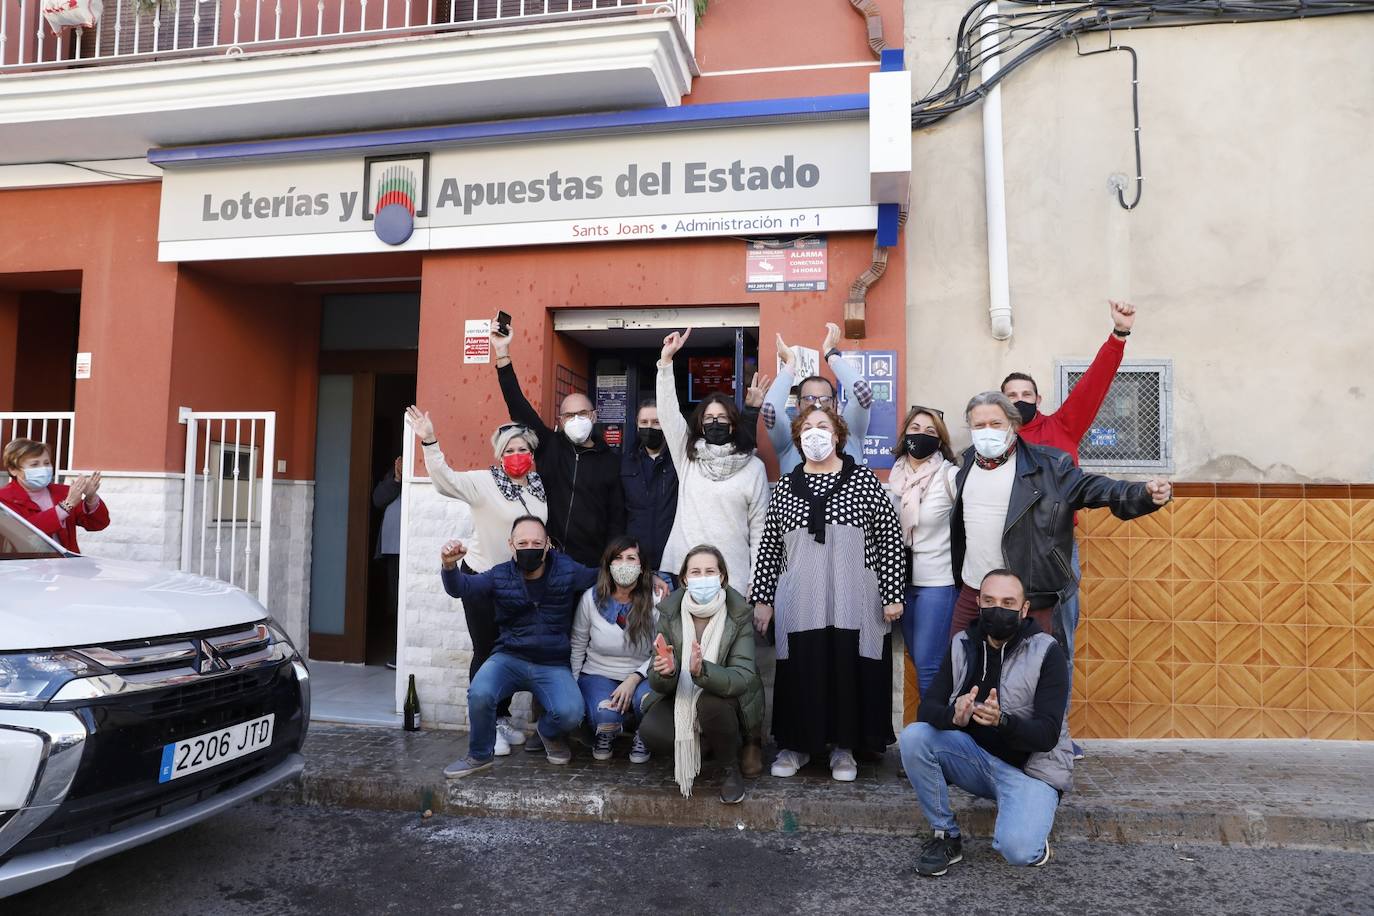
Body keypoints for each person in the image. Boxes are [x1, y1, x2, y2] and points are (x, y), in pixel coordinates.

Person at [1001, 300, 1137, 758]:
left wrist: (1117, 336)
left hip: (1056, 552)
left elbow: (1095, 387)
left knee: (1059, 641)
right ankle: (1002, 726)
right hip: (1003, 557)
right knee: (1002, 640)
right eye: (1010, 394)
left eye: (1026, 393)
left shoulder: (1061, 427)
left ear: (1038, 400)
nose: (1019, 400)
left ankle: (1056, 732)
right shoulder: (993, 442)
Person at [750, 406, 905, 782]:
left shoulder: (864, 481)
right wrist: (763, 597)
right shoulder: (786, 486)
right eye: (807, 428)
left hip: (856, 596)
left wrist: (892, 593)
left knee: (849, 669)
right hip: (800, 598)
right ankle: (796, 746)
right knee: (801, 669)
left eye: (823, 427)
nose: (815, 434)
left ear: (837, 435)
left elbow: (890, 538)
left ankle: (844, 749)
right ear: (799, 438)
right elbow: (770, 545)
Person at [948, 391, 1172, 643]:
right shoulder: (966, 465)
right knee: (960, 664)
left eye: (996, 424)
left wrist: (1141, 493)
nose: (987, 431)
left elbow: (1093, 488)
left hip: (1027, 594)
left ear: (1012, 425)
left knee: (1032, 673)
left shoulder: (1049, 466)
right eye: (979, 425)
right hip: (975, 591)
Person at [900, 569, 1073, 876]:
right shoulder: (962, 643)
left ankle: (1028, 822)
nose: (998, 609)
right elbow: (928, 709)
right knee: (915, 737)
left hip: (1030, 773)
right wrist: (954, 716)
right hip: (978, 762)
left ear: (1023, 609)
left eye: (1008, 602)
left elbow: (1047, 735)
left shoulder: (1047, 651)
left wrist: (1002, 721)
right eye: (990, 600)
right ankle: (946, 836)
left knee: (1019, 851)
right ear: (978, 602)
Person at [409, 407, 550, 756]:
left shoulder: (538, 485)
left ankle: (502, 717)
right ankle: (485, 726)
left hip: (522, 584)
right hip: (484, 578)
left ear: (532, 454)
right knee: (486, 651)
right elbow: (445, 480)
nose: (517, 456)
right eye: (509, 450)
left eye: (523, 450)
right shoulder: (484, 482)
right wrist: (430, 438)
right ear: (499, 455)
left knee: (511, 650)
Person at [439, 516, 598, 778]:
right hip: (509, 657)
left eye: (537, 542)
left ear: (547, 545)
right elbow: (462, 588)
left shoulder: (567, 570)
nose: (530, 547)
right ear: (511, 545)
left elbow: (601, 578)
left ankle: (547, 733)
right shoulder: (500, 574)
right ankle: (479, 755)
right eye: (522, 542)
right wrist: (448, 566)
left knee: (571, 713)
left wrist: (651, 578)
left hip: (552, 662)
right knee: (479, 692)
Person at [491, 323, 624, 567]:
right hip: (549, 562)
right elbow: (517, 405)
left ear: (594, 416)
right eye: (569, 416)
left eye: (582, 413)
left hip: (592, 566)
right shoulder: (549, 446)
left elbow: (617, 518)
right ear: (560, 421)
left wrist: (610, 562)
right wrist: (502, 353)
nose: (576, 420)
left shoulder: (611, 461)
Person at [640, 545, 765, 804]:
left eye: (710, 571)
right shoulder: (669, 613)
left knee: (710, 705)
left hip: (727, 696)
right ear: (684, 579)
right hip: (683, 694)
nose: (703, 577)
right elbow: (657, 678)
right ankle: (708, 744)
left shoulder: (739, 613)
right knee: (652, 731)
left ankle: (731, 768)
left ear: (721, 577)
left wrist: (702, 671)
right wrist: (668, 671)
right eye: (695, 572)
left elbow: (742, 676)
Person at [655, 328, 769, 599]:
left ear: (733, 423)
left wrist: (758, 584)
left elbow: (760, 531)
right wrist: (666, 363)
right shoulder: (688, 456)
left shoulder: (754, 468)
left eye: (722, 417)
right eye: (709, 418)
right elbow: (668, 414)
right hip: (684, 573)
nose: (715, 423)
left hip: (734, 578)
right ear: (700, 424)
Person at [888, 406, 960, 696]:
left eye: (930, 431)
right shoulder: (894, 478)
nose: (921, 436)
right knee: (918, 658)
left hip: (937, 583)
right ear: (905, 435)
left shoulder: (950, 476)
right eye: (915, 429)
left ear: (940, 440)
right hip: (902, 583)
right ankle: (940, 720)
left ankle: (929, 737)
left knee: (929, 663)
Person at [569, 536, 658, 763]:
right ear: (608, 564)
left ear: (642, 566)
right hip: (598, 673)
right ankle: (606, 731)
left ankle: (644, 733)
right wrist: (575, 684)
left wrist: (635, 677)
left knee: (645, 701)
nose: (624, 564)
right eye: (618, 558)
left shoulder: (655, 600)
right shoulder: (590, 598)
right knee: (605, 715)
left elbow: (664, 648)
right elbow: (578, 643)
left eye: (631, 558)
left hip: (642, 674)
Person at [762, 322, 872, 473]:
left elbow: (862, 392)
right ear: (797, 405)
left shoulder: (849, 433)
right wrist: (790, 362)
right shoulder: (790, 438)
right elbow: (770, 409)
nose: (817, 405)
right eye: (809, 398)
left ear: (835, 404)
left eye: (825, 399)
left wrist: (831, 354)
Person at [1, 438, 108, 553]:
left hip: (66, 565)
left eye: (46, 463)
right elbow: (25, 532)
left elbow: (97, 525)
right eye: (34, 464)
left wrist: (91, 498)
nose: (43, 468)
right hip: (27, 566)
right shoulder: (4, 498)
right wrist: (65, 507)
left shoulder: (63, 492)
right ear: (13, 470)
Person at [621, 399, 677, 580]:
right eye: (644, 423)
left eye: (656, 422)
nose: (649, 427)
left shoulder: (679, 461)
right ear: (636, 426)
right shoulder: (625, 463)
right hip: (635, 561)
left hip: (672, 562)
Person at [372, 456, 404, 670]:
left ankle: (405, 653)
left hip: (414, 546)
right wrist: (397, 477)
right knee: (396, 602)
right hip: (393, 548)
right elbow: (378, 500)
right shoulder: (394, 472)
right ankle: (397, 652)